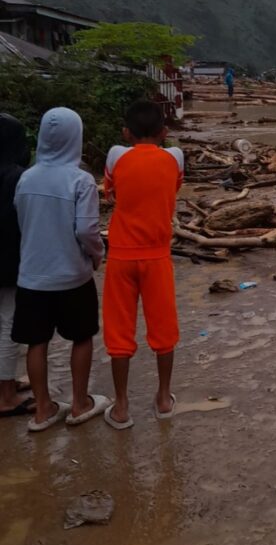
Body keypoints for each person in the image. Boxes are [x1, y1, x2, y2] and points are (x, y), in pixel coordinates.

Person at [11, 108, 109, 431]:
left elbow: (22, 222)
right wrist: (97, 255)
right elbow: (86, 231)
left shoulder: (26, 178)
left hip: (32, 277)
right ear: (75, 138)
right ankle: (80, 404)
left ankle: (43, 410)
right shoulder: (80, 180)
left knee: (36, 342)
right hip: (72, 276)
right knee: (81, 337)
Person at [102, 100, 183, 429]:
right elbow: (172, 188)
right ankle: (163, 398)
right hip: (157, 255)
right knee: (164, 329)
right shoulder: (174, 157)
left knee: (118, 331)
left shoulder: (115, 155)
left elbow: (111, 191)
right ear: (164, 132)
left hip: (121, 254)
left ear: (125, 132)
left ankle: (121, 407)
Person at [0, 114, 33, 417]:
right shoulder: (16, 177)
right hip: (7, 261)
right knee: (9, 323)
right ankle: (6, 394)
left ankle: (5, 381)